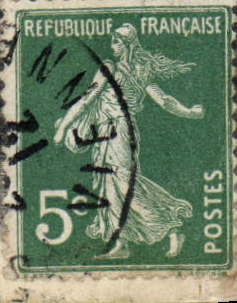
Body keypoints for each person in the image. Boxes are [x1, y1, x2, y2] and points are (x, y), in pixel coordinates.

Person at [53, 23, 204, 259]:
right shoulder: (121, 69)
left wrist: (189, 112)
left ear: (128, 46)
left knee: (123, 181)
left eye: (117, 42)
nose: (112, 46)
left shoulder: (132, 71)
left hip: (121, 130)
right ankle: (120, 242)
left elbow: (162, 100)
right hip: (105, 131)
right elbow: (88, 99)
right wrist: (63, 127)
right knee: (108, 184)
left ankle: (171, 225)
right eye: (112, 42)